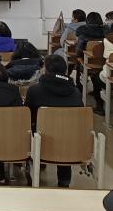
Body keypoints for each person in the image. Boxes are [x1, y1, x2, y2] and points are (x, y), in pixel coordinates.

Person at [24, 54, 82, 187]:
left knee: (30, 128)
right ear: (65, 71)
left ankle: (34, 167)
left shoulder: (35, 91)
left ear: (46, 70)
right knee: (65, 132)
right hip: (70, 144)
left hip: (42, 142)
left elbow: (26, 116)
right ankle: (64, 180)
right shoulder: (75, 93)